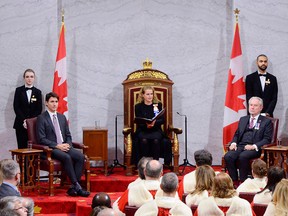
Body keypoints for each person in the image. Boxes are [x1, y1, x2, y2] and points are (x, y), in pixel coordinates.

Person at [36, 92, 90, 197]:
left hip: (64, 146)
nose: (54, 104)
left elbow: (68, 135)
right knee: (67, 157)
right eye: (52, 101)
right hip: (51, 149)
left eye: (56, 101)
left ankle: (74, 187)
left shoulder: (62, 117)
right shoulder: (41, 118)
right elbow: (41, 139)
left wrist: (68, 144)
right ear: (46, 103)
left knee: (80, 156)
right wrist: (57, 145)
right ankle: (77, 186)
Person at [224, 96, 273, 183]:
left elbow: (267, 139)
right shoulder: (243, 119)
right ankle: (234, 181)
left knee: (243, 156)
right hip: (241, 146)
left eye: (255, 105)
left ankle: (244, 181)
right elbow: (237, 134)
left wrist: (254, 146)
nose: (252, 107)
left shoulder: (266, 121)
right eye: (251, 105)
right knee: (228, 156)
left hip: (255, 148)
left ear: (261, 107)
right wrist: (234, 143)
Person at [13, 69, 42, 149]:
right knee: (21, 147)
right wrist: (24, 120)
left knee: (33, 148)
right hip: (20, 124)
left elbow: (39, 109)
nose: (29, 78)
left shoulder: (38, 92)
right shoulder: (18, 90)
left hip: (33, 125)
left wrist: (29, 121)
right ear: (24, 78)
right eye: (27, 76)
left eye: (31, 77)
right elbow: (16, 107)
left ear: (34, 78)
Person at [134, 86, 165, 161]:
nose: (150, 96)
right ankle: (144, 163)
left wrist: (154, 123)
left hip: (156, 130)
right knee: (144, 140)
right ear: (143, 95)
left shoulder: (158, 105)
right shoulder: (138, 106)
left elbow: (162, 120)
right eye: (147, 94)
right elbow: (139, 121)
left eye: (151, 94)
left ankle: (155, 163)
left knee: (156, 140)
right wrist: (147, 125)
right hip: (143, 130)